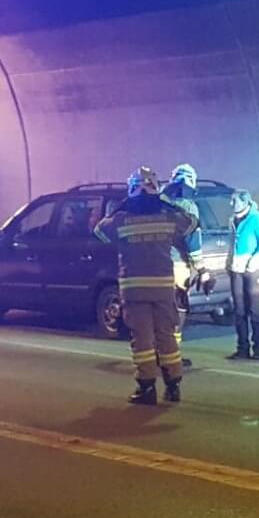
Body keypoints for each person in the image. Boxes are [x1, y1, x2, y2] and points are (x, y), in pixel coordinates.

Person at [95, 167, 194, 405]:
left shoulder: (120, 220)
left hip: (134, 289)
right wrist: (166, 203)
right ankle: (173, 386)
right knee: (166, 336)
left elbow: (99, 230)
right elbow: (191, 222)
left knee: (142, 340)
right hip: (163, 288)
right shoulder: (167, 217)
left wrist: (120, 206)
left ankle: (147, 388)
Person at [161, 162, 203, 363]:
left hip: (157, 263)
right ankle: (173, 353)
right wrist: (201, 268)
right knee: (179, 307)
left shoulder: (160, 200)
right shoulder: (188, 206)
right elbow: (192, 239)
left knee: (160, 309)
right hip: (178, 264)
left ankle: (159, 351)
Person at [226, 188, 259, 360]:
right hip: (236, 270)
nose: (231, 204)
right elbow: (233, 244)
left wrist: (253, 263)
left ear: (245, 202)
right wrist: (229, 263)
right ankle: (242, 348)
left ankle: (258, 347)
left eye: (235, 200)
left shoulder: (256, 220)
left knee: (254, 310)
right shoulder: (233, 220)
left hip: (253, 271)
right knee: (239, 311)